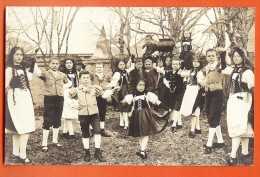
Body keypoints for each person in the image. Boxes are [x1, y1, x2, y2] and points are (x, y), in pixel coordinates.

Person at [221, 47, 254, 165]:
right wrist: (224, 51)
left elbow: (253, 89)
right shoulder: (232, 69)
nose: (235, 58)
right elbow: (223, 67)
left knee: (238, 126)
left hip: (243, 100)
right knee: (241, 127)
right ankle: (245, 154)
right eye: (234, 56)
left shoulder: (248, 71)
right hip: (233, 100)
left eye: (238, 56)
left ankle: (234, 156)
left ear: (243, 57)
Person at [121, 79, 169, 159]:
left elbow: (157, 102)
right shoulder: (132, 95)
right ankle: (142, 150)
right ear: (136, 86)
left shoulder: (147, 94)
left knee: (145, 132)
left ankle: (142, 151)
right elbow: (123, 102)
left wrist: (166, 108)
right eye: (139, 85)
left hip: (146, 114)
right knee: (139, 133)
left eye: (143, 85)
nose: (141, 87)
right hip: (136, 115)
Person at [69, 71, 111, 162]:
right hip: (83, 114)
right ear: (80, 79)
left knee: (97, 131)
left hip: (94, 113)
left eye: (87, 78)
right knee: (85, 133)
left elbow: (102, 96)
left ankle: (97, 152)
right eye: (84, 78)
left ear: (90, 79)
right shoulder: (76, 90)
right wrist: (74, 105)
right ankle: (87, 152)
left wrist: (110, 91)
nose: (86, 79)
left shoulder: (94, 88)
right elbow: (70, 100)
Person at [5, 47, 36, 164]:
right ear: (12, 55)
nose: (19, 57)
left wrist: (33, 65)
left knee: (22, 126)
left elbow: (30, 78)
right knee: (22, 125)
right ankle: (22, 155)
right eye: (17, 54)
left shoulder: (23, 69)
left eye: (21, 55)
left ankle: (16, 152)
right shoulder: (8, 70)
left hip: (26, 98)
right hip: (15, 99)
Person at [34, 57, 70, 152]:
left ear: (59, 65)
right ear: (49, 64)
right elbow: (37, 72)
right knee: (47, 119)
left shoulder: (62, 75)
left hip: (59, 98)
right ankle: (44, 143)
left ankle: (55, 140)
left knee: (57, 118)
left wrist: (63, 89)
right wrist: (34, 62)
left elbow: (69, 83)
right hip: (49, 98)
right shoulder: (45, 73)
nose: (55, 65)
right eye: (53, 63)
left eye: (57, 64)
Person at [198, 49, 225, 154]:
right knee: (210, 116)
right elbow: (199, 77)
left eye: (213, 56)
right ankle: (220, 141)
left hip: (217, 93)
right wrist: (203, 83)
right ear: (206, 58)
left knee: (214, 116)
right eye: (209, 56)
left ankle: (209, 144)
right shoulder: (205, 68)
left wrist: (223, 53)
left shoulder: (219, 66)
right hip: (208, 93)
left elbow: (224, 66)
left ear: (216, 57)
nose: (211, 57)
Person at [179, 53, 205, 138]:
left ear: (200, 63)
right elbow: (181, 73)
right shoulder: (191, 71)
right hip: (190, 91)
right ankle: (197, 127)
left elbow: (203, 82)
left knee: (195, 110)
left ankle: (192, 130)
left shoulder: (202, 71)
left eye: (197, 62)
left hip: (197, 91)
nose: (195, 63)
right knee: (193, 109)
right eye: (194, 61)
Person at [108, 59, 134, 131]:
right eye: (120, 65)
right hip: (121, 90)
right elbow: (114, 82)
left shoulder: (126, 71)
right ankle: (125, 124)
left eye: (123, 64)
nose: (122, 66)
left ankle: (123, 123)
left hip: (127, 89)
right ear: (118, 66)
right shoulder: (117, 73)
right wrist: (111, 86)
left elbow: (132, 67)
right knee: (123, 107)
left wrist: (132, 60)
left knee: (125, 106)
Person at [163, 57, 186, 132]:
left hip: (180, 92)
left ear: (179, 65)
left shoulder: (182, 73)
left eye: (177, 64)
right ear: (171, 65)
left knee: (177, 108)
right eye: (173, 64)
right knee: (175, 108)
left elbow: (185, 79)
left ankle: (174, 125)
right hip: (172, 93)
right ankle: (178, 122)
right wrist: (167, 84)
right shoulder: (170, 72)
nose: (175, 65)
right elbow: (165, 79)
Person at [59, 58, 79, 140]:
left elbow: (78, 83)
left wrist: (76, 90)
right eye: (67, 63)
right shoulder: (62, 74)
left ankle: (64, 132)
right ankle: (71, 133)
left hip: (75, 92)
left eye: (70, 63)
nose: (68, 64)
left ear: (73, 64)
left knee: (71, 111)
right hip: (66, 92)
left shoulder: (76, 73)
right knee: (68, 111)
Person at [92, 61, 112, 137]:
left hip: (103, 97)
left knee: (102, 112)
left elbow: (109, 85)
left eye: (100, 67)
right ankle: (92, 129)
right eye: (97, 67)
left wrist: (106, 91)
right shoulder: (92, 76)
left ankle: (102, 129)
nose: (99, 69)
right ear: (95, 68)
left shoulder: (106, 77)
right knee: (93, 113)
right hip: (94, 97)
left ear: (103, 68)